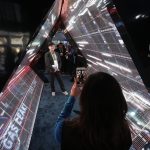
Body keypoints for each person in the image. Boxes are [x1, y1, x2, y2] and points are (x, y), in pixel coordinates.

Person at [54, 72, 132, 150]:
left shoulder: (65, 130)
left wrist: (72, 96)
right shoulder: (124, 133)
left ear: (85, 100)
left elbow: (60, 121)